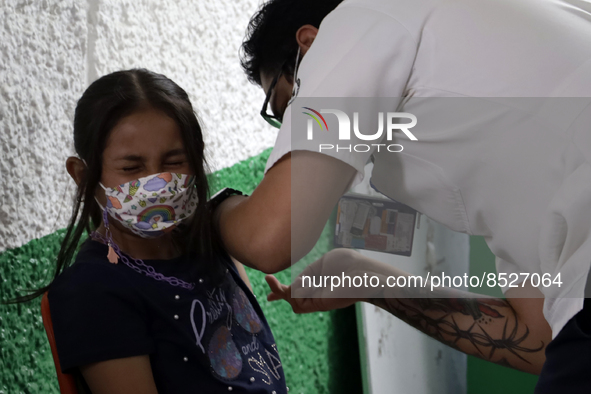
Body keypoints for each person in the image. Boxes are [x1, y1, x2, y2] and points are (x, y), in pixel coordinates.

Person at [214, 0, 591, 391]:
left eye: (284, 107)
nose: (288, 132)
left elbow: (269, 237)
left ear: (309, 46)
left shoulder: (357, 20)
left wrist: (206, 210)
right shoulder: (499, 87)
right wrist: (365, 279)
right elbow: (540, 339)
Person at [28, 69, 287, 394]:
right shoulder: (93, 292)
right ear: (83, 176)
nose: (158, 183)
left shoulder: (214, 242)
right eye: (131, 168)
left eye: (175, 161)